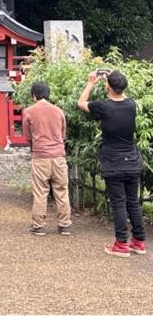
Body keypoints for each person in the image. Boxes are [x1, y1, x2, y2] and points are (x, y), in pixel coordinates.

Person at [77, 69, 146, 257]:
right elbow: (121, 93)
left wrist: (91, 82)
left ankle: (121, 244)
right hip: (132, 160)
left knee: (119, 203)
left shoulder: (103, 106)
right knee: (133, 202)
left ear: (108, 86)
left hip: (113, 162)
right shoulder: (131, 105)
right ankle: (138, 242)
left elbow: (81, 103)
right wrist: (113, 78)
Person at [22, 81, 72, 235]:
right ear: (48, 94)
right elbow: (63, 135)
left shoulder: (29, 111)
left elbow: (27, 136)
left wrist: (35, 146)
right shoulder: (59, 111)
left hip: (40, 156)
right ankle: (64, 224)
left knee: (40, 192)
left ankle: (38, 225)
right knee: (62, 190)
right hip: (58, 156)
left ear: (33, 95)